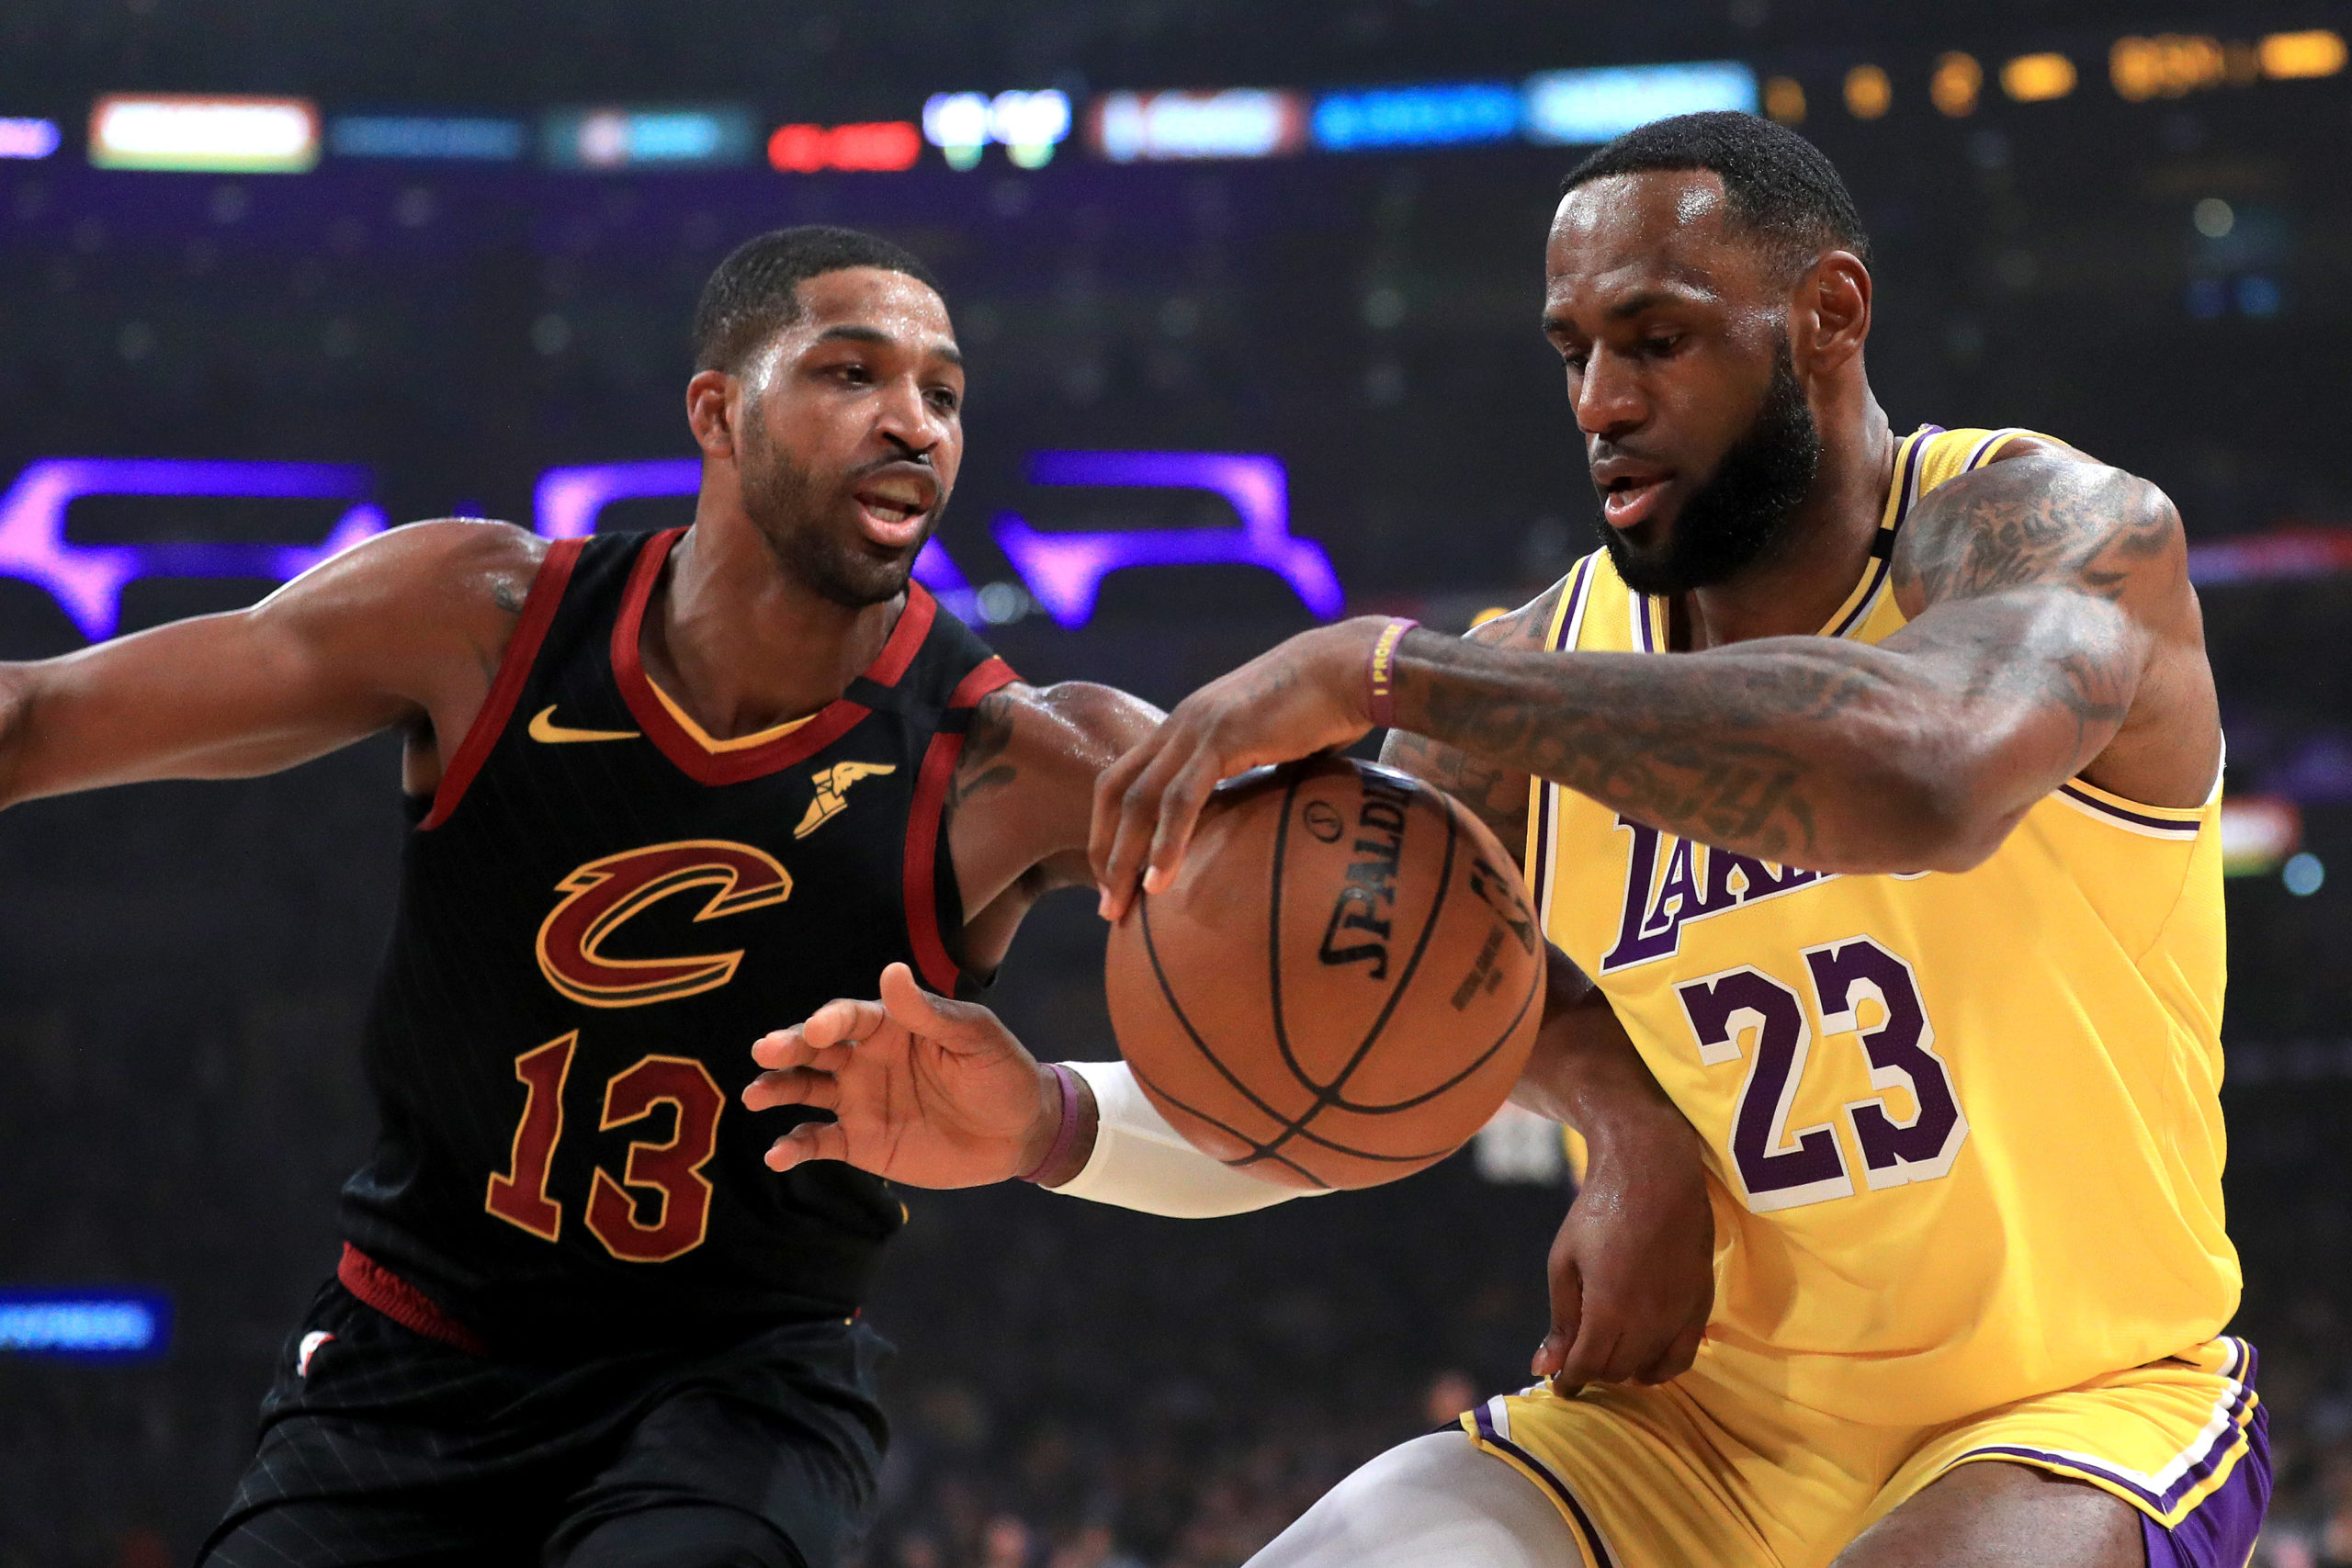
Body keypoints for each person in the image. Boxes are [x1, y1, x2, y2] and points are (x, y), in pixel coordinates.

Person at [748, 116, 2267, 1568]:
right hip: (1692, 1433)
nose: (1601, 399)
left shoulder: (2053, 529)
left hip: (2075, 1407)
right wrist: (1049, 1123)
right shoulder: (1525, 697)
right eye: (1574, 353)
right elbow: (1343, 1079)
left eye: (1656, 338)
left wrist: (1390, 671)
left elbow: (1930, 774)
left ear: (1828, 313)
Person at [0, 225, 1171, 1567]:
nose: (914, 421)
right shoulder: (482, 620)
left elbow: (1304, 883)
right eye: (853, 373)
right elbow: (33, 719)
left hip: (737, 1394)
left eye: (946, 394)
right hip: (407, 1366)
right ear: (717, 414)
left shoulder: (1015, 756)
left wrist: (1404, 684)